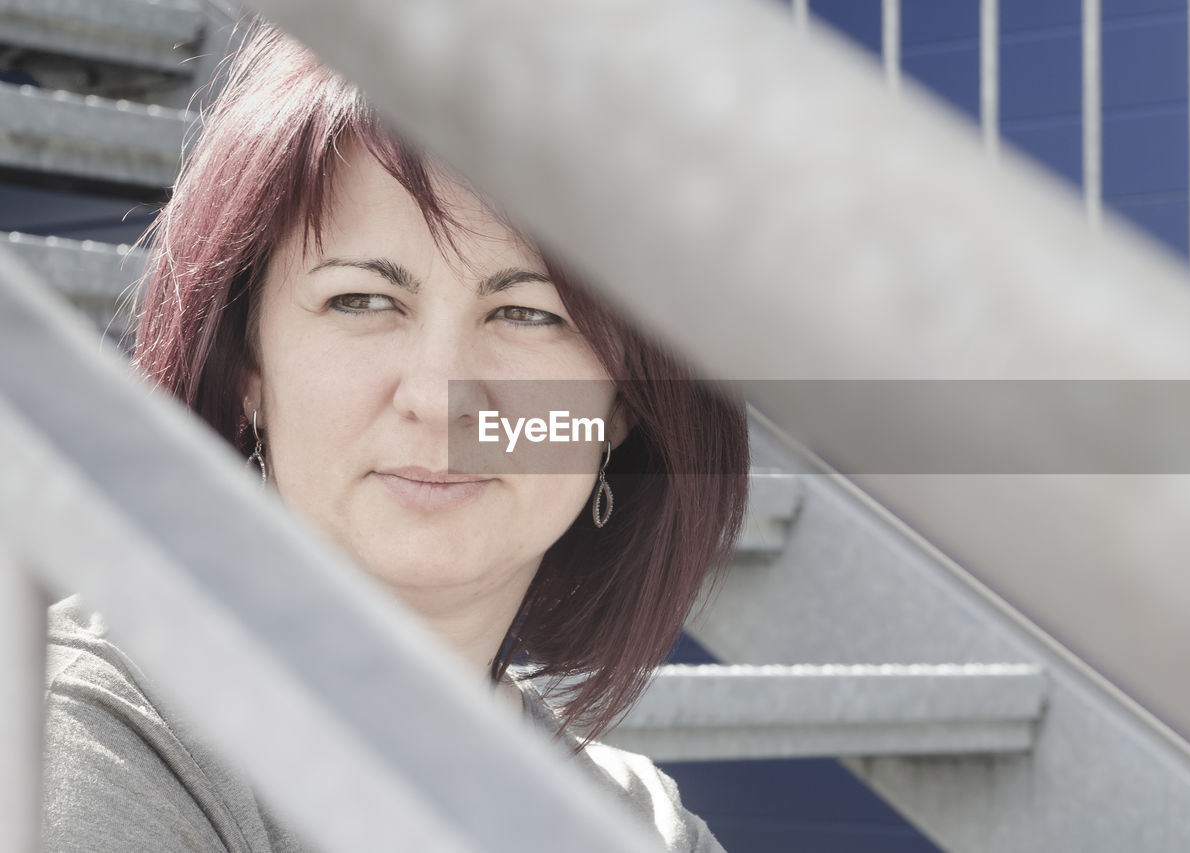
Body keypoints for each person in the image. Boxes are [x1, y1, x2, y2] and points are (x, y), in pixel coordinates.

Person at [40, 16, 749, 853]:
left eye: (526, 313)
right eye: (362, 301)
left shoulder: (648, 830)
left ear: (621, 409)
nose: (440, 397)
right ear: (248, 369)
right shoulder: (80, 736)